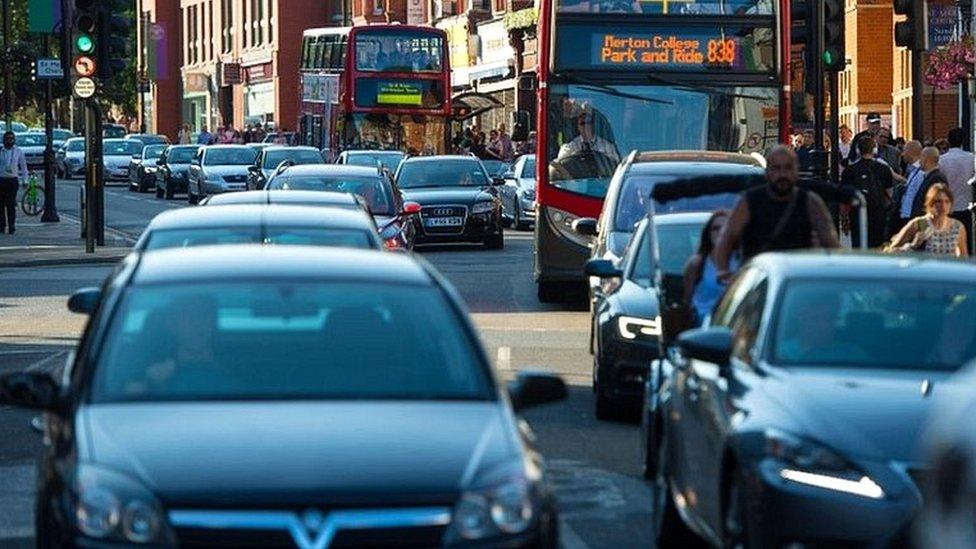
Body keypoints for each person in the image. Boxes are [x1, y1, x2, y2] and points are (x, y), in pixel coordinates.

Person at [714, 145, 839, 283]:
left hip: (796, 284)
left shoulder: (810, 202)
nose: (782, 174)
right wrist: (724, 273)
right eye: (777, 168)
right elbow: (726, 239)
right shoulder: (749, 202)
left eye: (788, 168)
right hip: (758, 282)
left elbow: (831, 244)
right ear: (767, 172)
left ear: (797, 169)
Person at [684, 210, 737, 326]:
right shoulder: (697, 263)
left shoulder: (741, 261)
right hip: (702, 326)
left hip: (731, 325)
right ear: (708, 233)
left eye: (725, 228)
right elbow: (687, 301)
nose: (720, 232)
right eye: (715, 228)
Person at [840, 136, 893, 248]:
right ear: (875, 149)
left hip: (857, 213)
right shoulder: (884, 168)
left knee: (858, 246)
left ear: (857, 150)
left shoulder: (850, 170)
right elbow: (889, 194)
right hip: (878, 214)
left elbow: (844, 197)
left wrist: (844, 218)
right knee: (877, 247)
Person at [887, 183, 967, 256]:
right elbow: (892, 251)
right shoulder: (921, 223)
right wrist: (913, 246)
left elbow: (963, 256)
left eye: (947, 201)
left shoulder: (957, 226)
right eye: (938, 201)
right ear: (930, 203)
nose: (943, 206)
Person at [938, 128, 975, 254]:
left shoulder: (942, 160)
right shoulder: (971, 158)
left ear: (948, 141)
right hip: (965, 205)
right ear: (963, 141)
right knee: (966, 240)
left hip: (947, 206)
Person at [905, 146, 948, 219]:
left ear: (925, 159)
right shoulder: (930, 177)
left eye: (921, 158)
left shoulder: (936, 178)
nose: (919, 161)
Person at [0, 132, 27, 234]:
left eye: (11, 139)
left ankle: (12, 225)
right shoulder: (1, 151)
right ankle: (2, 225)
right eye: (7, 139)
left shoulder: (18, 151)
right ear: (4, 140)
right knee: (1, 205)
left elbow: (23, 167)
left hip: (12, 180)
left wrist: (25, 180)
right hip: (1, 180)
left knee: (11, 204)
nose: (9, 140)